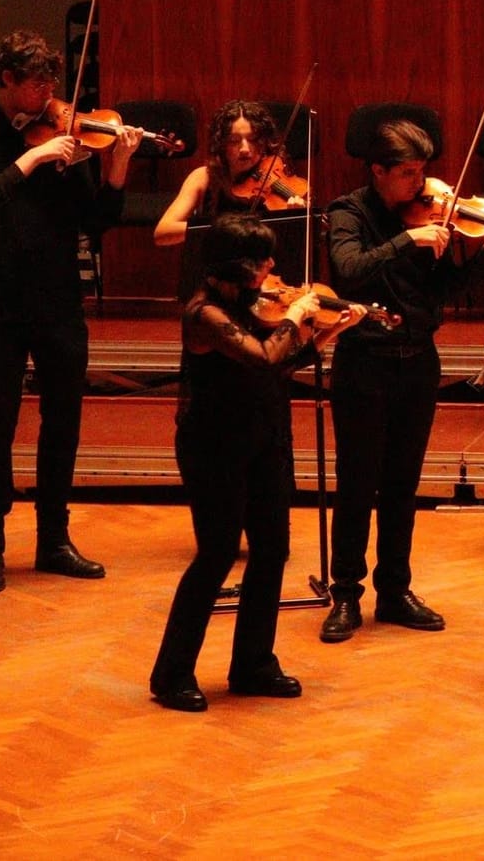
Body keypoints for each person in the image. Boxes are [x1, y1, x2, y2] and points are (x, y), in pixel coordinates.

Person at [0, 29, 138, 594]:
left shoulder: (64, 138)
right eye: (37, 84)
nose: (50, 95)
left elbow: (95, 222)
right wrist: (31, 159)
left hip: (57, 302)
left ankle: (54, 538)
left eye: (53, 82)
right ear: (7, 80)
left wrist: (117, 168)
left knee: (63, 422)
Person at [148, 214, 361, 712]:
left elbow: (278, 365)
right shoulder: (203, 314)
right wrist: (297, 315)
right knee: (216, 554)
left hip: (262, 437)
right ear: (233, 263)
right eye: (260, 259)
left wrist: (326, 334)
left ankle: (253, 663)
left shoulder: (252, 304)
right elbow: (261, 357)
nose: (270, 266)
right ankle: (171, 673)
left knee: (272, 550)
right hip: (213, 445)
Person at [321, 118, 484, 642]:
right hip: (364, 364)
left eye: (422, 171)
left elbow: (445, 290)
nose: (421, 183)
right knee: (357, 484)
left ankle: (394, 590)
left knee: (402, 485)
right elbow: (348, 269)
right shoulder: (349, 212)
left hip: (418, 364)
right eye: (407, 173)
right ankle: (345, 593)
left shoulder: (430, 213)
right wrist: (407, 240)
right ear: (378, 170)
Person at [153, 100, 307, 299]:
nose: (245, 149)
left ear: (264, 142)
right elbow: (163, 232)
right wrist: (225, 229)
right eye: (234, 141)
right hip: (217, 282)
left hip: (266, 284)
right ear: (222, 144)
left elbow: (293, 253)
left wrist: (294, 221)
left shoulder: (277, 179)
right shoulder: (204, 177)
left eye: (253, 139)